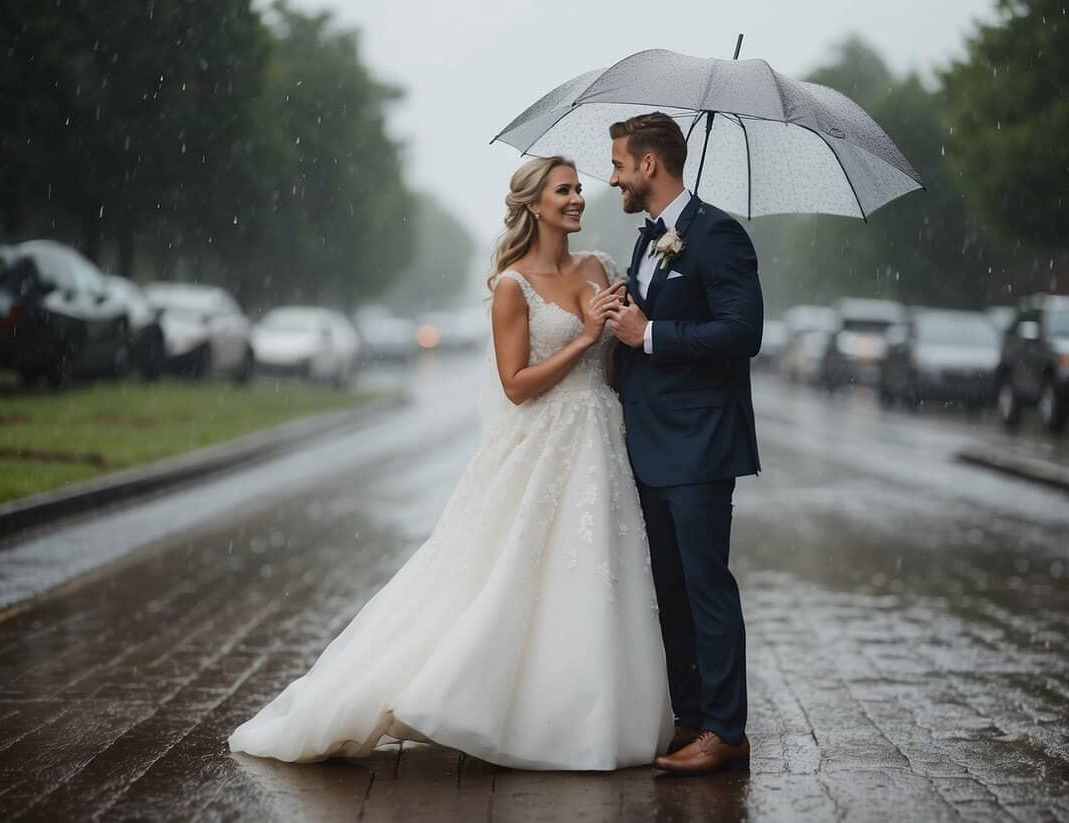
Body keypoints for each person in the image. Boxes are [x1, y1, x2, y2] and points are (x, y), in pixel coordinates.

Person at [227, 156, 672, 771]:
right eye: (563, 190)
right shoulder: (512, 287)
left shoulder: (603, 268)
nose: (576, 199)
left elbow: (620, 359)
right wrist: (582, 336)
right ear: (533, 204)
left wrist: (627, 332)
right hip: (546, 444)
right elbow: (516, 385)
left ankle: (592, 713)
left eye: (577, 189)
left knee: (597, 574)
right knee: (512, 574)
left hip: (604, 438)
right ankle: (459, 696)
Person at [605, 112, 764, 775]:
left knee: (705, 586)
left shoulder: (719, 233)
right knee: (668, 588)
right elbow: (652, 316)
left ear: (649, 165)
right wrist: (624, 310)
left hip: (700, 444)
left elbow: (741, 332)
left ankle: (727, 730)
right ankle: (692, 717)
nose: (610, 175)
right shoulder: (649, 238)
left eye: (618, 163)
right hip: (649, 442)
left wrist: (651, 335)